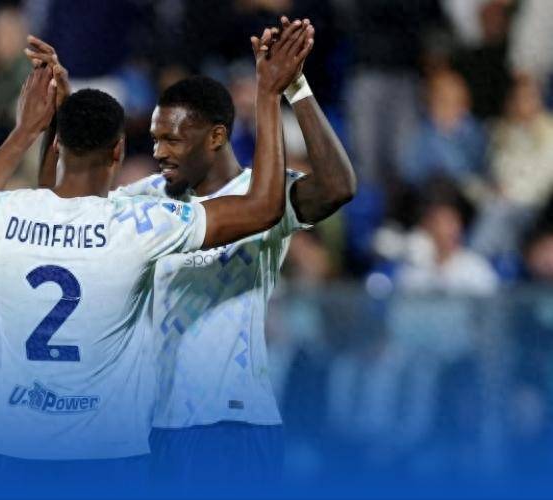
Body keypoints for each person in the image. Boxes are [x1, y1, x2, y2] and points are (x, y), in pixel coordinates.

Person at [0, 21, 311, 495]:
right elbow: (263, 208)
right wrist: (269, 95)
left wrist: (26, 128)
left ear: (57, 145)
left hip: (13, 451)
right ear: (118, 151)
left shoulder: (11, 214)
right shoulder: (137, 226)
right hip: (107, 457)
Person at [26, 15, 355, 487]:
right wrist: (62, 120)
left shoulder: (260, 194)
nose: (159, 151)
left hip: (234, 423)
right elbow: (57, 209)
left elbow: (339, 186)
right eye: (156, 139)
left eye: (172, 139)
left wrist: (294, 89)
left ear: (216, 137)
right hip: (154, 423)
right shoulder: (147, 198)